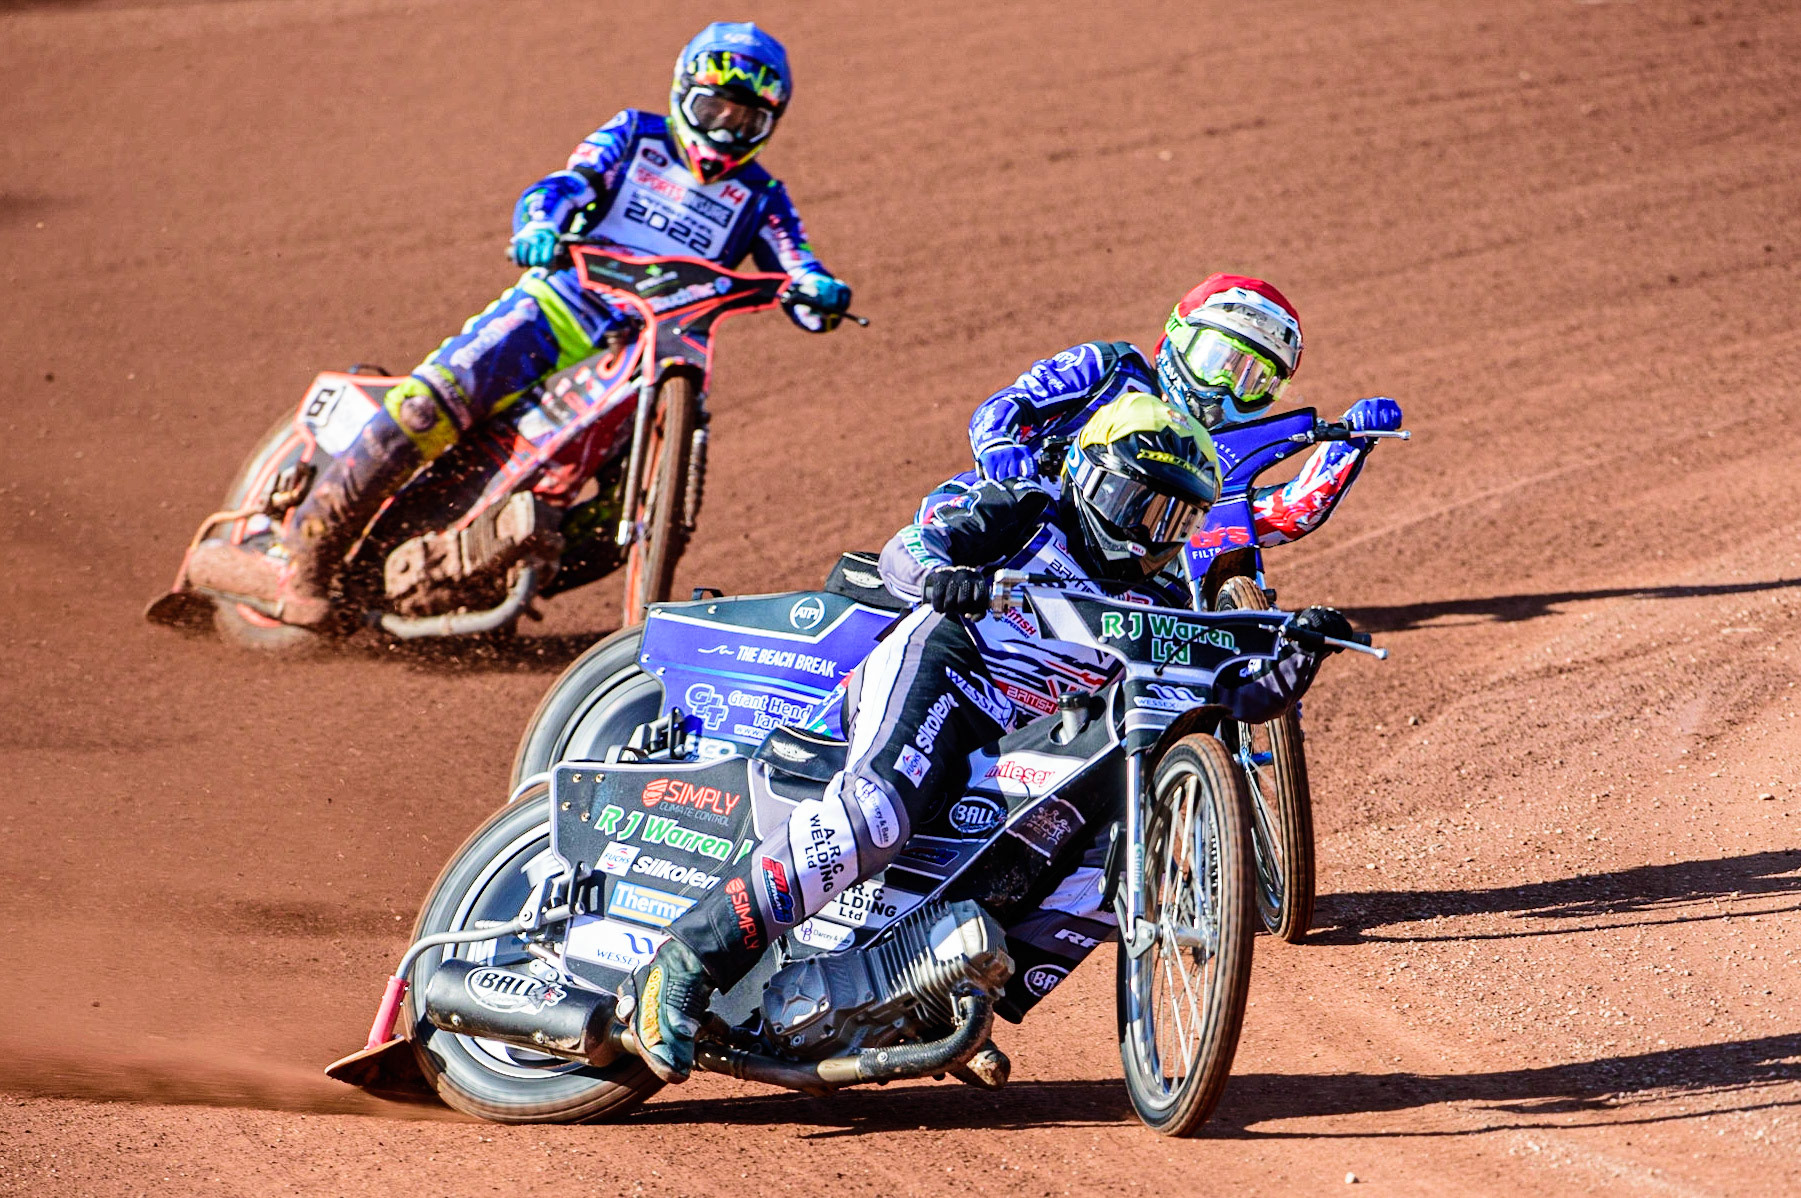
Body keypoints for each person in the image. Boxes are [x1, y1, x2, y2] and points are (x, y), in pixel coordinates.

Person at [626, 392, 1353, 1082]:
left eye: (1171, 520)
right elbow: (905, 554)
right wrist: (947, 577)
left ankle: (923, 998)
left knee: (1098, 871)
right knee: (873, 817)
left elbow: (1239, 694)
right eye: (1139, 503)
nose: (1147, 532)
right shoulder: (1023, 511)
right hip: (948, 669)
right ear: (1089, 478)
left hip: (1030, 735)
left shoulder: (1161, 603)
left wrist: (1298, 656)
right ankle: (685, 964)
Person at [186, 22, 852, 626]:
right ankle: (302, 561)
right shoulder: (635, 135)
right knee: (424, 408)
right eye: (715, 109)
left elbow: (797, 264)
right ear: (684, 95)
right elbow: (564, 186)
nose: (725, 128)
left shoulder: (762, 198)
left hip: (660, 350)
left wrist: (818, 292)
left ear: (769, 124)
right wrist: (540, 224)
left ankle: (472, 578)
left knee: (612, 524)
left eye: (745, 118)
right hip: (561, 308)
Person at [961, 273, 1401, 549]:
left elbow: (1275, 517)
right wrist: (1001, 444)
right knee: (952, 506)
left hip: (1139, 572)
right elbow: (1008, 405)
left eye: (1252, 380)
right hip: (1032, 519)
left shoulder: (1224, 451)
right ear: (1177, 338)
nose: (1224, 388)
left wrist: (1349, 446)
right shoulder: (1109, 368)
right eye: (1218, 361)